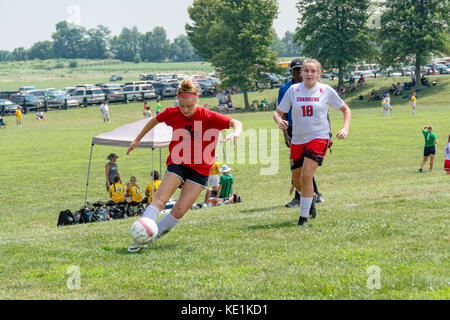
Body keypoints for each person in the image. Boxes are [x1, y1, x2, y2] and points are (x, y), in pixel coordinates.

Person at [126, 79, 243, 252]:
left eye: (190, 106)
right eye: (182, 106)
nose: (186, 110)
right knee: (159, 200)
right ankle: (141, 234)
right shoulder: (172, 113)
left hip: (201, 168)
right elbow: (153, 121)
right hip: (178, 162)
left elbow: (236, 122)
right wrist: (137, 139)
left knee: (180, 210)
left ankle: (150, 238)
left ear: (196, 100)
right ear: (178, 102)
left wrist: (235, 133)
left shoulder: (208, 115)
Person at [274, 59, 351, 226]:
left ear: (318, 73)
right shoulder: (293, 90)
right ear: (301, 73)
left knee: (306, 176)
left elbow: (346, 110)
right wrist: (279, 121)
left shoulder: (325, 90)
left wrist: (345, 128)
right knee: (297, 181)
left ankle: (303, 219)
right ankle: (311, 197)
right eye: (306, 71)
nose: (309, 74)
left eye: (312, 71)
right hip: (298, 139)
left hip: (318, 137)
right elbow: (278, 112)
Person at [278, 58, 325, 210]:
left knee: (307, 165)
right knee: (298, 168)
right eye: (296, 70)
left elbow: (324, 111)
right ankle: (312, 195)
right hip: (293, 129)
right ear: (291, 71)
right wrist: (286, 134)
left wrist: (328, 133)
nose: (299, 73)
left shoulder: (315, 87)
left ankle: (304, 197)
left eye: (301, 69)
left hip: (314, 129)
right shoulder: (286, 89)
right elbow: (281, 113)